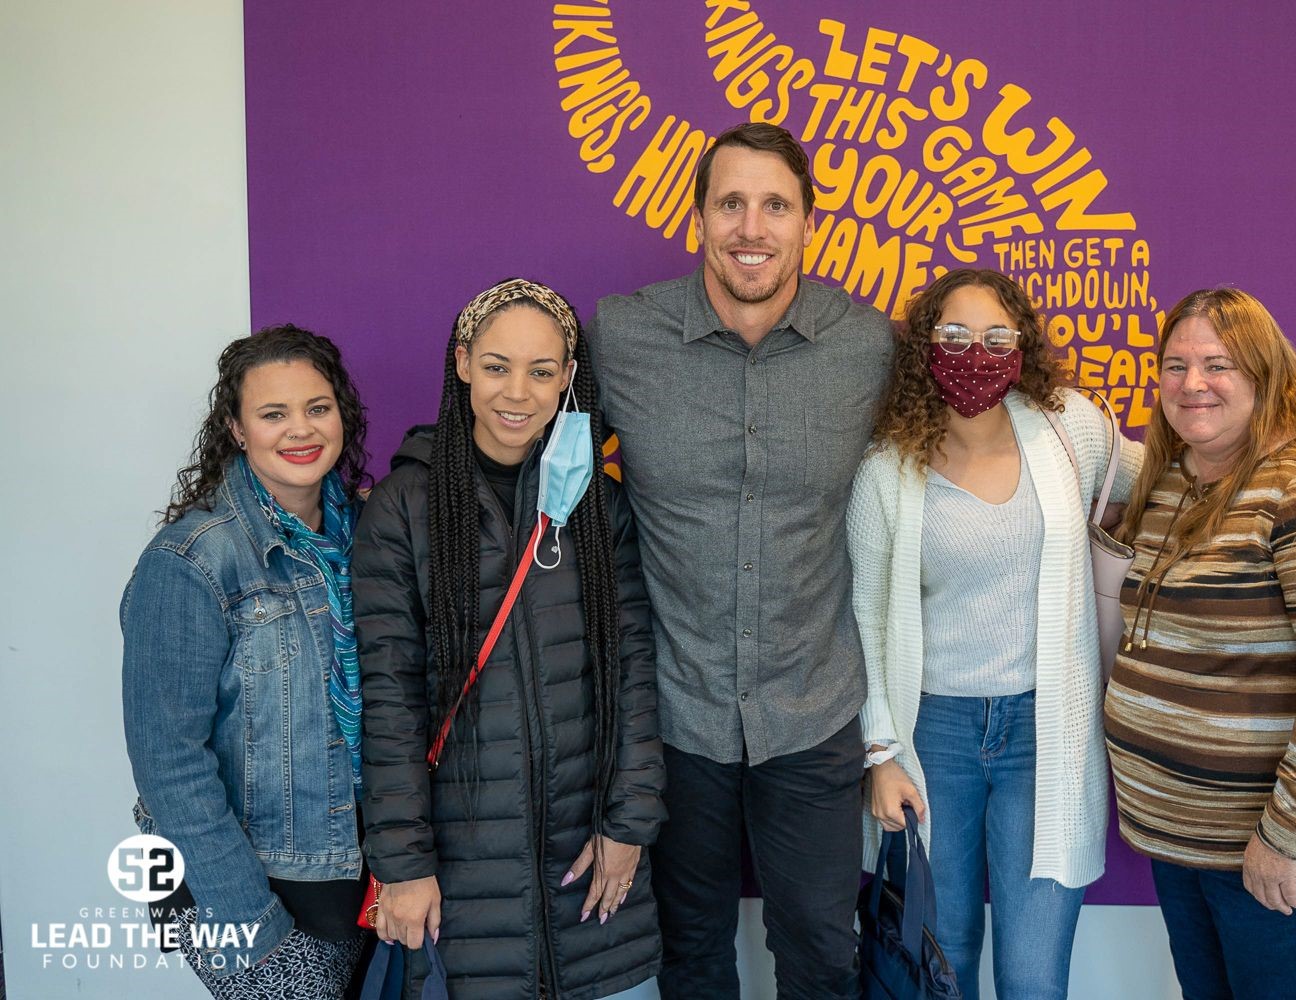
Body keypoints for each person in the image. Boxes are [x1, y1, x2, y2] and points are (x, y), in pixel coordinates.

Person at [585, 121, 891, 999]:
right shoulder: (621, 337)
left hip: (813, 711)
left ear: (807, 224)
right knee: (689, 956)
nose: (751, 228)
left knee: (824, 959)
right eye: (730, 204)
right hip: (676, 716)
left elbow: (981, 438)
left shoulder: (868, 345)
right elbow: (529, 447)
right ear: (698, 218)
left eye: (774, 206)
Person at [353, 278, 665, 1000]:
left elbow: (634, 673)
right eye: (496, 366)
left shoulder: (595, 503)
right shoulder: (404, 508)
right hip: (465, 891)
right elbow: (389, 700)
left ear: (568, 379)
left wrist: (631, 825)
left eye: (542, 370)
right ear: (462, 362)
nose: (516, 393)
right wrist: (402, 864)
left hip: (595, 880)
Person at [1105, 287, 1296, 1000]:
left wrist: (1284, 834)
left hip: (1274, 841)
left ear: (1265, 376)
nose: (1193, 384)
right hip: (1183, 835)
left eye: (1219, 364)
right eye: (1175, 365)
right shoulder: (1174, 478)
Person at [849, 268, 1143, 999]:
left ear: (1022, 346)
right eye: (952, 335)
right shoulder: (887, 468)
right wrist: (880, 752)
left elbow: (1169, 473)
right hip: (934, 735)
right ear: (924, 345)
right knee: (939, 964)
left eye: (994, 337)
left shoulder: (1068, 427)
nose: (973, 353)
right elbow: (862, 618)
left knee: (1033, 976)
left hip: (1046, 734)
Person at [122, 326, 373, 998]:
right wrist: (248, 922)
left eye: (318, 408)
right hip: (241, 889)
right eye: (273, 414)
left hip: (346, 881)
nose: (301, 429)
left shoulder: (366, 540)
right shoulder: (190, 561)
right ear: (235, 429)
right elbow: (169, 764)